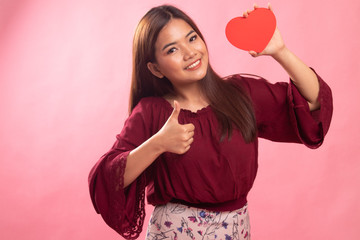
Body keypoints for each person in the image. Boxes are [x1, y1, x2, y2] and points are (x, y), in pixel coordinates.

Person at [88, 4, 333, 240]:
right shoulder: (151, 112)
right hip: (174, 232)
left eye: (192, 38)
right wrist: (158, 144)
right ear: (155, 69)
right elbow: (106, 179)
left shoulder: (241, 94)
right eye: (172, 49)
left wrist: (280, 51)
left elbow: (312, 101)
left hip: (237, 230)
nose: (190, 52)